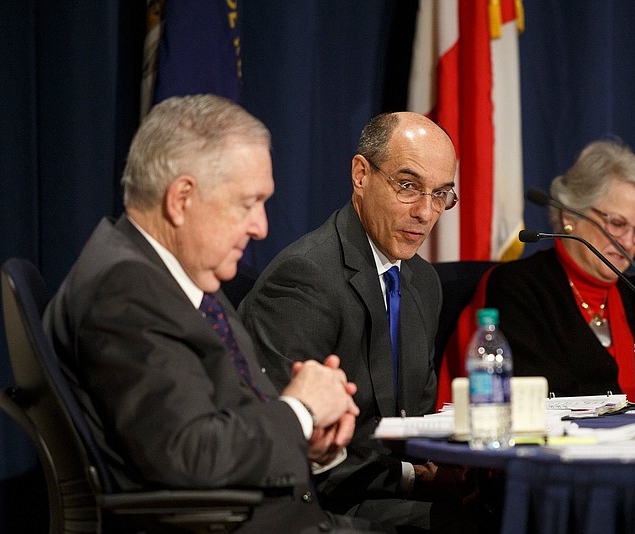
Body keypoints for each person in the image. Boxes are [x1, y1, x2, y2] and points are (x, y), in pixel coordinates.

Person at [43, 94, 386, 533]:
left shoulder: (177, 276)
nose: (261, 226)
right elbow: (189, 453)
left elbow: (224, 420)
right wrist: (301, 409)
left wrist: (307, 439)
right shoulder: (126, 291)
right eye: (248, 203)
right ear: (182, 198)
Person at [239, 112, 482, 532]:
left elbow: (416, 419)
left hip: (387, 494)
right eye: (408, 186)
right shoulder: (306, 278)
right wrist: (413, 478)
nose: (426, 212)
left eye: (441, 194)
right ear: (361, 174)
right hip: (323, 505)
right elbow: (293, 443)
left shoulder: (422, 281)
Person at [483, 139, 635, 401]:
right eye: (617, 224)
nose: (629, 243)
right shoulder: (519, 288)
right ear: (570, 216)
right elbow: (538, 392)